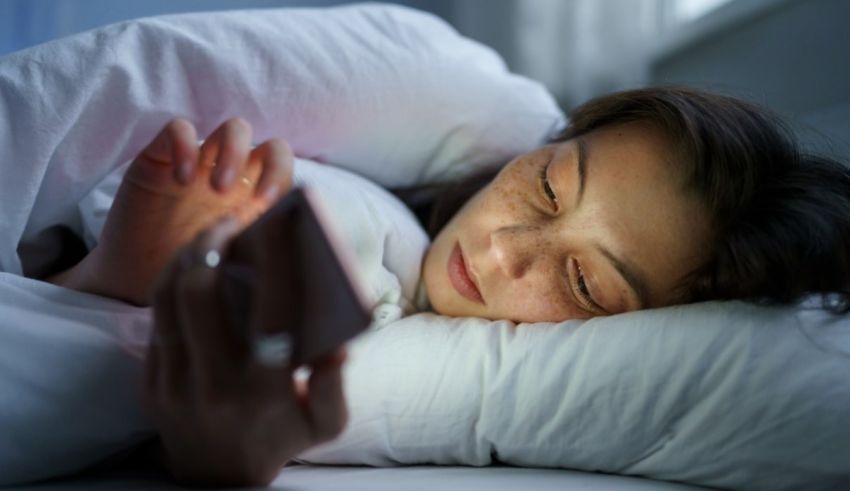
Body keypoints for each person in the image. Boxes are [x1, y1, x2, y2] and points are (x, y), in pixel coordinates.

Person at [47, 86, 850, 486]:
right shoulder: (365, 196)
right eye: (545, 187)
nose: (503, 250)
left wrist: (222, 462)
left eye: (582, 281)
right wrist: (108, 271)